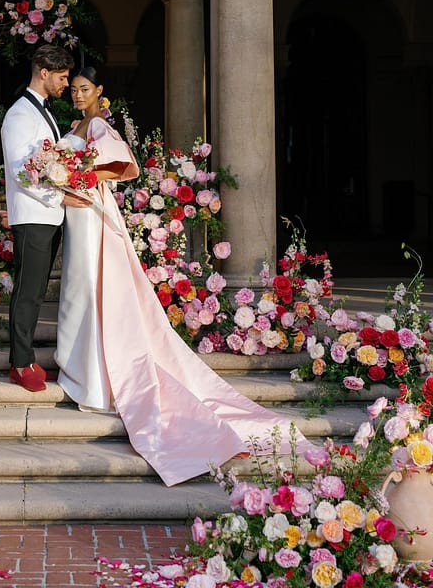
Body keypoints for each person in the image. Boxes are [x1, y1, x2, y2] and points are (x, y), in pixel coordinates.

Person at [55, 66, 308, 486]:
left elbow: (124, 167)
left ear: (100, 90)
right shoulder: (76, 124)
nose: (78, 95)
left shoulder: (99, 124)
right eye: (75, 90)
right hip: (77, 213)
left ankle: (97, 375)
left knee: (94, 287)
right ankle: (84, 366)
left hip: (93, 212)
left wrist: (75, 176)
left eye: (85, 89)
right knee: (81, 288)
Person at [1, 43, 91, 393]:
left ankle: (27, 359)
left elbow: (48, 159)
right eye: (62, 77)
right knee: (27, 290)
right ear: (44, 73)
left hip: (48, 214)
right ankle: (19, 364)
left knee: (36, 290)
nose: (65, 84)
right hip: (32, 214)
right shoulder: (19, 115)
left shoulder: (42, 111)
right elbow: (20, 171)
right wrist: (62, 195)